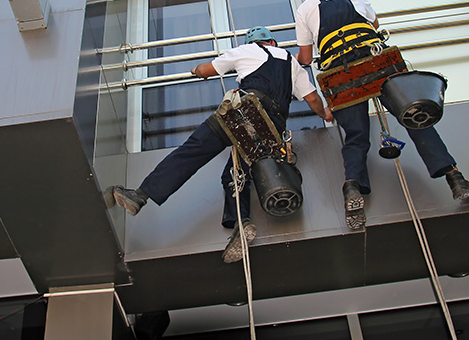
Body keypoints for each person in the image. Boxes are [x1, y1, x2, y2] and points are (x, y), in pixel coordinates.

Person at [112, 26, 333, 263]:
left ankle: (140, 196)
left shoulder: (246, 50)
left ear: (254, 42)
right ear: (273, 42)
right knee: (235, 174)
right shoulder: (292, 64)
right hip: (271, 132)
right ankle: (241, 223)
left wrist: (196, 70)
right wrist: (327, 114)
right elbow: (311, 98)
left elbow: (208, 69)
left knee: (192, 152)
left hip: (244, 112)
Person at [294, 0, 469, 230]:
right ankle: (455, 177)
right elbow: (375, 25)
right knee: (413, 116)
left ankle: (352, 188)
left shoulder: (305, 9)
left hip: (343, 75)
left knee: (356, 135)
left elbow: (305, 57)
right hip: (377, 63)